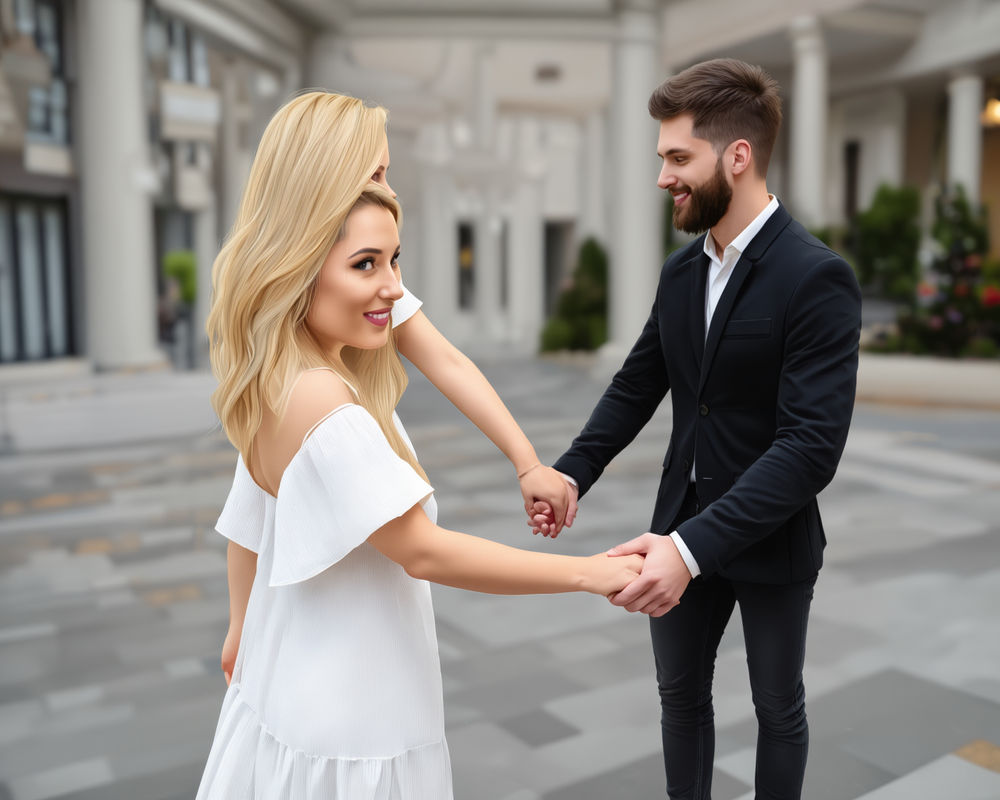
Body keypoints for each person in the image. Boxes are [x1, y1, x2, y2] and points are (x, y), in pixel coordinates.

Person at [195, 91, 642, 800]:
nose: (387, 188)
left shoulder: (278, 371)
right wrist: (594, 574)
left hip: (289, 681)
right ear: (316, 219)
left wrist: (241, 626)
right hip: (354, 719)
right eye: (374, 172)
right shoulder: (328, 404)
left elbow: (248, 520)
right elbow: (424, 550)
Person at [529, 59, 862, 799]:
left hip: (768, 538)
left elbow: (810, 449)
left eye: (678, 158)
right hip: (678, 517)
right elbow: (639, 382)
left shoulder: (816, 277)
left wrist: (688, 550)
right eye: (662, 160)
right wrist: (572, 470)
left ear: (736, 157)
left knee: (779, 709)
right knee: (680, 703)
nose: (663, 178)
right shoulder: (682, 273)